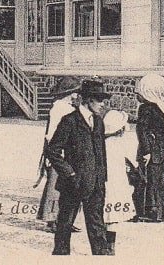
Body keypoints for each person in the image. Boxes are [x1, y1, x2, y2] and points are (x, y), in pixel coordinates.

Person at [44, 79, 113, 256]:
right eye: (100, 100)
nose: (103, 105)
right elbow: (52, 151)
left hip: (96, 185)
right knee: (64, 227)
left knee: (97, 227)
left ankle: (102, 255)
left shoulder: (98, 122)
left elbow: (101, 154)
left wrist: (102, 179)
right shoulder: (69, 121)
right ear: (88, 100)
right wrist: (70, 174)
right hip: (73, 184)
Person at [36, 76, 82, 231]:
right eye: (76, 92)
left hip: (67, 152)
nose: (77, 95)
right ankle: (51, 220)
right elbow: (52, 133)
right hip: (59, 151)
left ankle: (65, 220)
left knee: (67, 187)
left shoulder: (67, 107)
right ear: (70, 93)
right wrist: (53, 153)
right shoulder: (59, 108)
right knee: (54, 187)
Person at [134, 73, 164, 222]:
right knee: (151, 179)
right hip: (152, 150)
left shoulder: (160, 105)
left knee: (163, 179)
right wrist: (147, 151)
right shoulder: (146, 108)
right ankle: (152, 211)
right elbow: (142, 130)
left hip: (161, 148)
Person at [102, 109, 136, 235]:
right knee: (113, 217)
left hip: (110, 182)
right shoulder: (115, 144)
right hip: (115, 184)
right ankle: (109, 245)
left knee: (108, 215)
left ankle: (106, 242)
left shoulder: (106, 143)